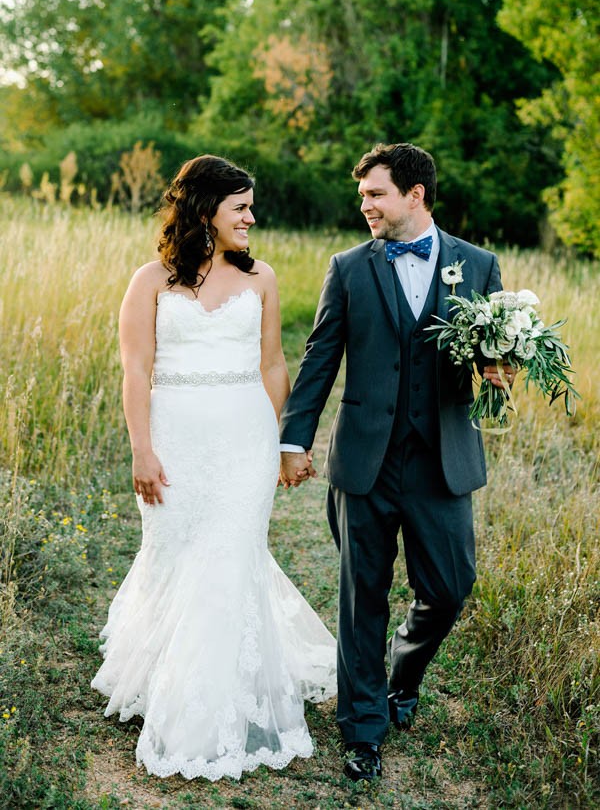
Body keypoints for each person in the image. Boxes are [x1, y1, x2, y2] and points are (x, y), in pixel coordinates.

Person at [91, 154, 336, 781]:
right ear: (206, 212)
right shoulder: (150, 280)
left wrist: (277, 441)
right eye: (241, 208)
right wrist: (142, 448)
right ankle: (160, 671)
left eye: (251, 207)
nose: (252, 218)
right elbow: (136, 371)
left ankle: (206, 711)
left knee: (229, 559)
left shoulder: (262, 279)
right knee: (173, 553)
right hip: (173, 442)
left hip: (243, 441)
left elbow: (274, 364)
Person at [279, 142, 514, 782]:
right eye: (362, 196)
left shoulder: (479, 265)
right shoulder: (348, 267)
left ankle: (402, 676)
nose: (365, 206)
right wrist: (293, 439)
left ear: (415, 194)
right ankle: (362, 730)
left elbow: (490, 355)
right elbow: (320, 356)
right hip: (365, 459)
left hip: (443, 460)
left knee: (449, 587)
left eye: (375, 194)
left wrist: (499, 370)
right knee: (363, 596)